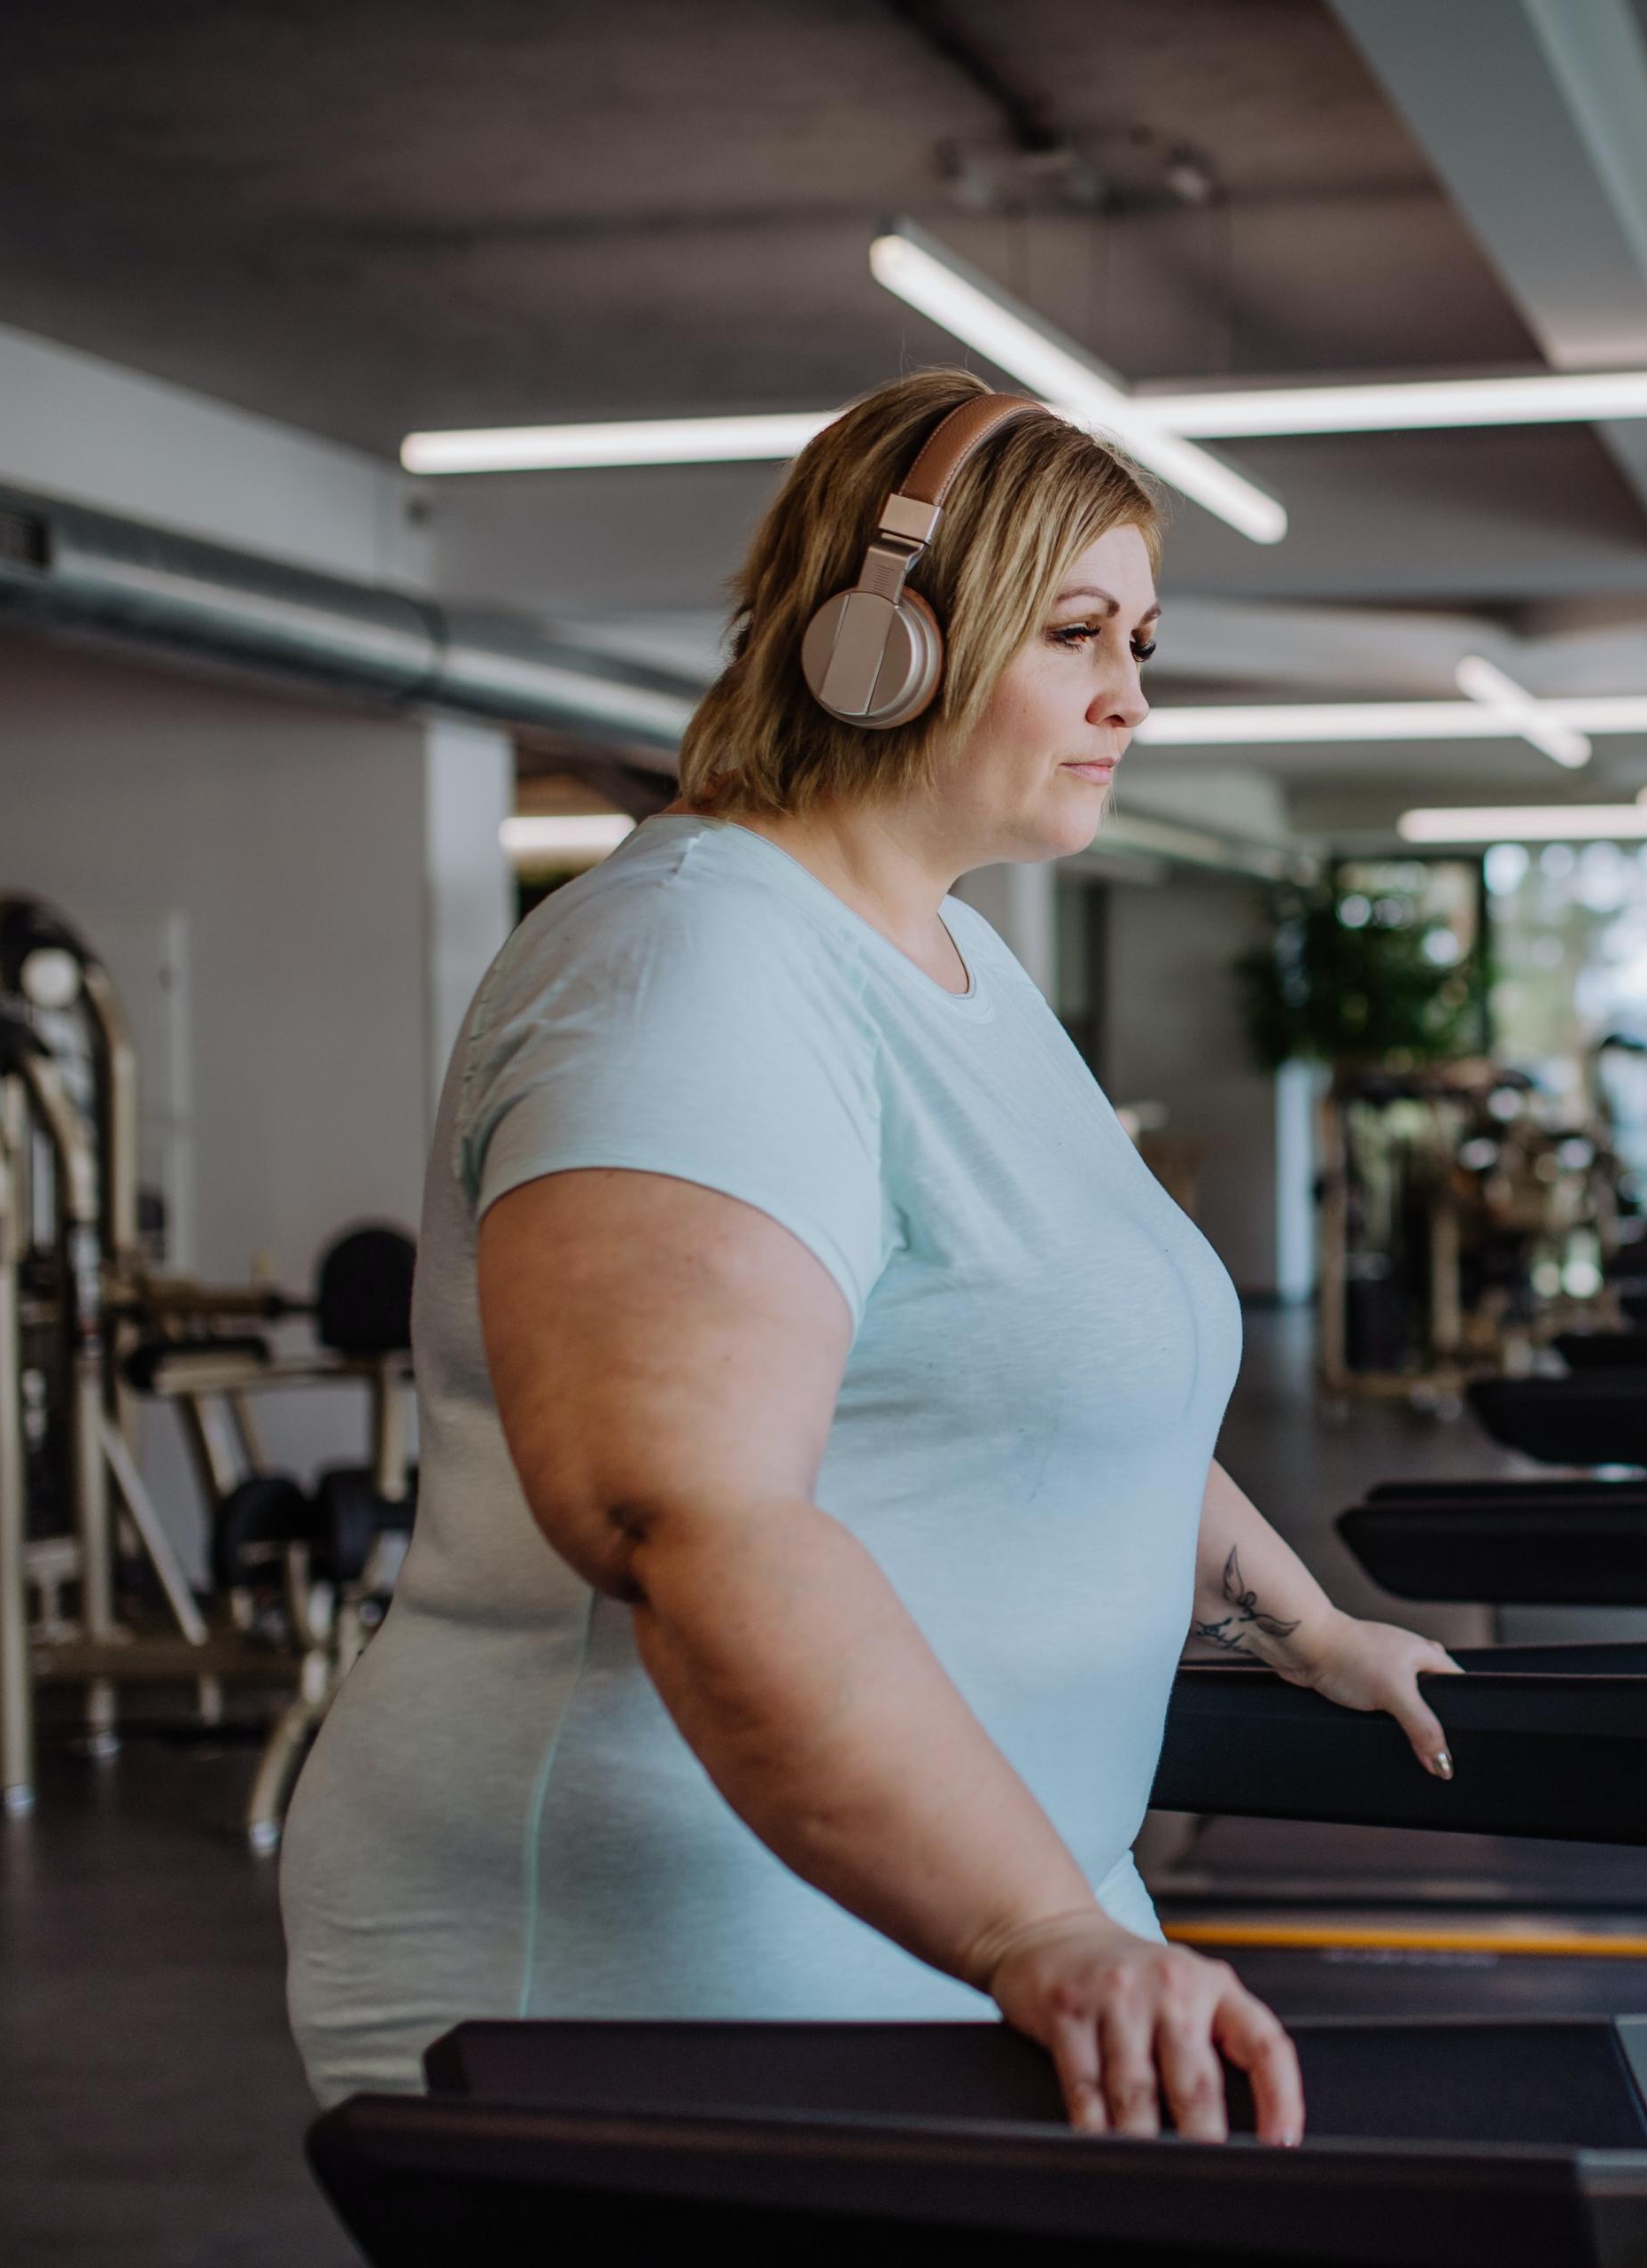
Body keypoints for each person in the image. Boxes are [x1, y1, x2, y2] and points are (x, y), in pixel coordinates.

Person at [282, 369, 1460, 2148]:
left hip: (971, 1909)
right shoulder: (694, 970)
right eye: (1075, 631)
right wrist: (1039, 1926)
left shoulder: (959, 970)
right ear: (874, 640)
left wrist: (1309, 1628)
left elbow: (1073, 1381)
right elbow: (690, 1512)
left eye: (1142, 637)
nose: (1132, 694)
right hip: (674, 1944)